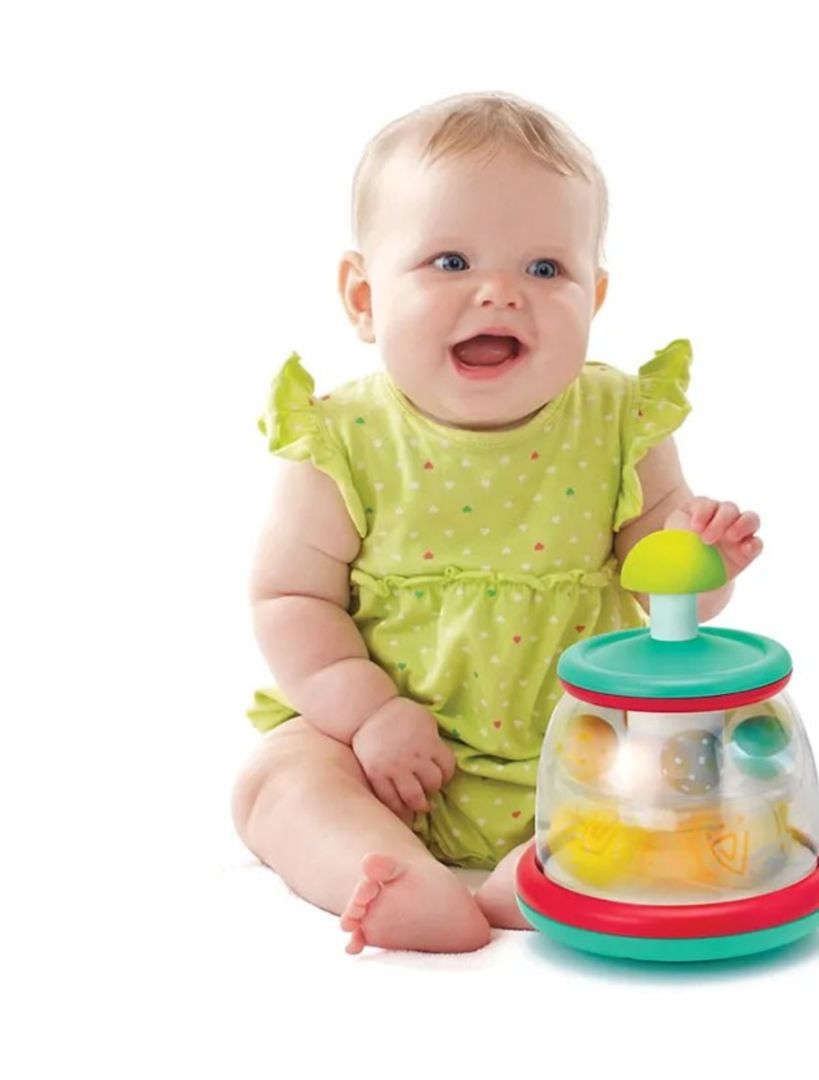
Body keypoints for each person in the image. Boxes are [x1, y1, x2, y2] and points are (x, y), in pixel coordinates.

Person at [231, 91, 764, 955]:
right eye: (448, 260)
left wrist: (698, 559)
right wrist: (367, 714)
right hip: (381, 757)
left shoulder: (620, 420)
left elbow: (666, 595)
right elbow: (289, 596)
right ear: (364, 298)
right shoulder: (341, 439)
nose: (500, 295)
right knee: (277, 779)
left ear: (593, 296)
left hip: (578, 746)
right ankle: (382, 867)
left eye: (545, 271)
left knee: (686, 767)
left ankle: (543, 868)